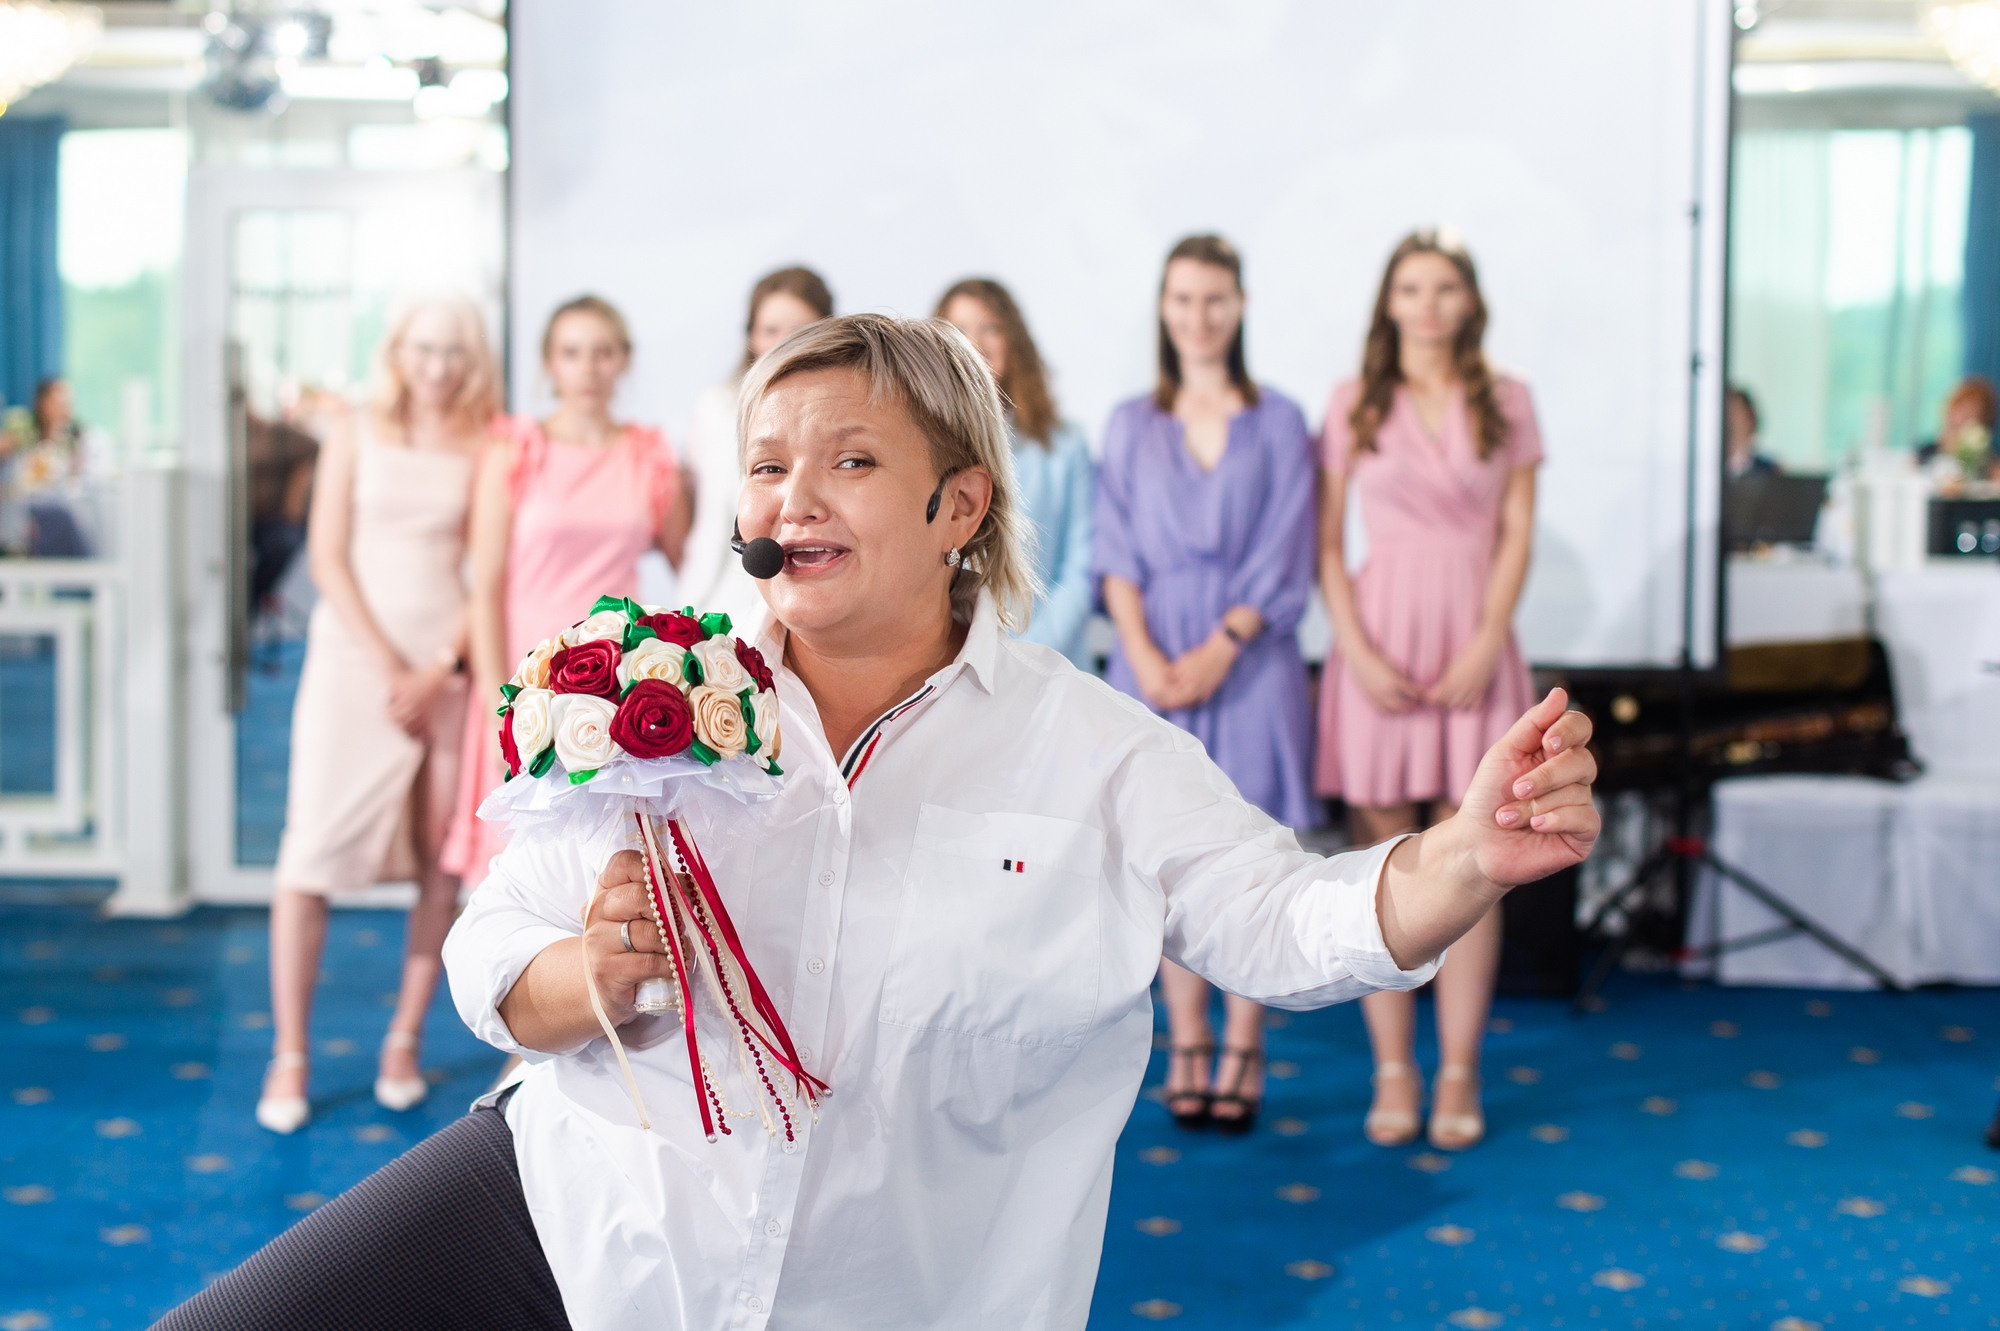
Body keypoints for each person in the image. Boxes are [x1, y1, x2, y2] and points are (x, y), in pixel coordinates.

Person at [153, 312, 1599, 1331]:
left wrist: (1461, 856)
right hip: (583, 1210)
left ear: (958, 503)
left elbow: (1286, 923)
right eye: (766, 463)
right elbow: (496, 940)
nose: (792, 497)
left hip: (895, 1287)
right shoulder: (655, 692)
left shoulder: (1091, 748)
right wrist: (582, 972)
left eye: (847, 459)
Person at [1316, 230, 1544, 1152]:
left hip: (1474, 641)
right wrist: (1357, 652)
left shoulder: (1509, 399)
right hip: (1378, 643)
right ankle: (1393, 1068)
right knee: (1385, 864)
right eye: (1411, 287)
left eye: (1444, 286)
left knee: (1476, 859)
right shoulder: (1353, 400)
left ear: (1469, 301)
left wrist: (1488, 639)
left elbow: (1518, 531)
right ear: (1389, 302)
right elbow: (1328, 543)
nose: (1428, 304)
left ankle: (1457, 1067)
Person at [255, 297, 502, 1135]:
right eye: (424, 348)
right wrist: (392, 668)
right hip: (351, 665)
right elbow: (326, 557)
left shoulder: (487, 442)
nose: (438, 366)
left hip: (442, 671)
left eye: (454, 352)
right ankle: (290, 1052)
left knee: (438, 857)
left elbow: (486, 573)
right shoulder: (354, 430)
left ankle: (403, 1040)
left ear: (474, 360)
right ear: (397, 351)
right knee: (309, 853)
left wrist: (438, 669)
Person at [1093, 235, 1318, 1134]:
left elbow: (1288, 544)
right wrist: (1143, 655)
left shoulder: (1281, 420)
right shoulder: (1129, 422)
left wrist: (1225, 644)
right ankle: (1187, 1035)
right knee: (1163, 852)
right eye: (1183, 299)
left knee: (1253, 850)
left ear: (1241, 305)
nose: (1199, 316)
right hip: (1150, 656)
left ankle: (1244, 1042)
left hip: (1252, 658)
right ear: (1164, 307)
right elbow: (1114, 551)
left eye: (1215, 298)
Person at [440, 295, 692, 890]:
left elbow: (694, 568)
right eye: (572, 353)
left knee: (601, 869)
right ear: (550, 364)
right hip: (525, 676)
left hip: (614, 679)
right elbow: (485, 589)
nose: (588, 368)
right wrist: (495, 700)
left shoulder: (649, 457)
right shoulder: (516, 450)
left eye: (603, 352)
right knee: (515, 873)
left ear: (623, 361)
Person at [937, 276, 1095, 665]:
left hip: (1050, 661)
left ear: (1014, 341)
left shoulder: (1066, 446)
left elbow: (1083, 566)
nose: (975, 343)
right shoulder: (921, 447)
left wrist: (1026, 656)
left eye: (990, 327)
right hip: (950, 662)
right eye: (959, 329)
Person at [681, 267, 834, 633]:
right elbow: (706, 523)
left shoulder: (843, 415)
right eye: (771, 330)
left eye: (799, 331)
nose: (783, 344)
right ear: (751, 335)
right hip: (724, 601)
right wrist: (689, 609)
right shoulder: (716, 408)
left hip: (810, 593)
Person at [1915, 374, 1997, 476]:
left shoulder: (1989, 462)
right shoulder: (1925, 452)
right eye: (1957, 409)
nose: (1959, 419)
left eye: (1970, 415)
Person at [1725, 386, 1778, 478]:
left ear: (1750, 420)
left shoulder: (1768, 470)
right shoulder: (1709, 467)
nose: (1730, 421)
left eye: (1735, 413)